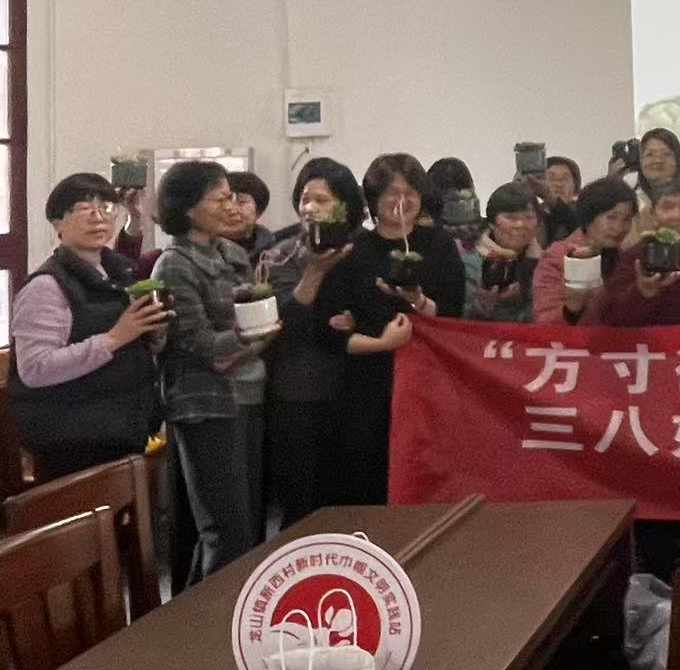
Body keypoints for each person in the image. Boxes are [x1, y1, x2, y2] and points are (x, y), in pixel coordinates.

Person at [154, 160, 276, 581]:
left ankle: (206, 611)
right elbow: (202, 345)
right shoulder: (174, 264)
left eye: (232, 197)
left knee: (245, 526)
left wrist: (254, 334)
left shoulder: (233, 253)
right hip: (206, 405)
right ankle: (210, 617)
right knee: (225, 531)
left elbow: (255, 319)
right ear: (188, 208)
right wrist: (249, 336)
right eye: (219, 199)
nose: (231, 207)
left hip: (249, 394)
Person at [314, 153, 458, 506]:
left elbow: (453, 315)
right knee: (368, 477)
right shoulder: (351, 251)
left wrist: (417, 301)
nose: (401, 201)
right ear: (373, 199)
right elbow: (328, 330)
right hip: (367, 384)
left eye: (410, 193)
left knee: (425, 477)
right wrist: (382, 342)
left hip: (427, 381)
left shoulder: (440, 245)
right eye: (392, 193)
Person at [9, 174, 170, 483]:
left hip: (122, 427)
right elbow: (35, 369)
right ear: (57, 223)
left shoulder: (116, 272)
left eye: (106, 207)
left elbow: (132, 342)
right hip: (72, 438)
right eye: (84, 208)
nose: (98, 217)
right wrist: (114, 338)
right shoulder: (46, 286)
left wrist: (153, 333)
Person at [260, 158, 362, 527]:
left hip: (354, 390)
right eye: (305, 199)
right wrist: (315, 271)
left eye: (322, 199)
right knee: (301, 504)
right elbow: (281, 324)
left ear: (345, 207)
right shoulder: (280, 255)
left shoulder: (364, 249)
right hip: (299, 392)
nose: (310, 207)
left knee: (350, 502)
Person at [586, 179, 680, 326]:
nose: (676, 215)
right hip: (657, 340)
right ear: (653, 214)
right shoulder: (635, 257)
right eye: (667, 207)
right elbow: (612, 318)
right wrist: (642, 293)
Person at [533, 176, 639, 324]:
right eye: (611, 217)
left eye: (626, 219)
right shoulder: (558, 257)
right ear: (589, 216)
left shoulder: (629, 258)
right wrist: (572, 309)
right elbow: (544, 322)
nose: (619, 227)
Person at [462, 181, 542, 322]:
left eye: (528, 217)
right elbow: (456, 316)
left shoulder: (547, 263)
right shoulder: (470, 265)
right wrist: (483, 306)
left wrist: (525, 294)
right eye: (511, 218)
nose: (520, 224)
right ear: (492, 223)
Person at [225, 170, 276, 263]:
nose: (231, 209)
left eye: (241, 202)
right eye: (226, 201)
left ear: (259, 211)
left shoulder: (274, 252)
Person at [541, 156, 581, 245]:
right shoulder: (534, 212)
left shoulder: (587, 210)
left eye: (565, 179)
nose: (558, 184)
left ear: (575, 184)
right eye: (551, 178)